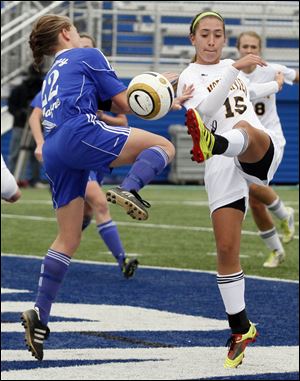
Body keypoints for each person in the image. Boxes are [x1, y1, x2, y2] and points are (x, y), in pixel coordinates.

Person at [21, 14, 192, 361]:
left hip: (54, 150)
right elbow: (128, 103)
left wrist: (161, 96)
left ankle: (39, 313)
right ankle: (130, 188)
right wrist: (163, 88)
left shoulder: (53, 71)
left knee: (67, 238)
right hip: (77, 133)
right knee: (163, 146)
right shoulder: (89, 53)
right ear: (67, 33)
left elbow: (115, 103)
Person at [177, 11, 285, 368]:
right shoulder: (189, 76)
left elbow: (250, 93)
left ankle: (219, 143)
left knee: (243, 124)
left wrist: (274, 83)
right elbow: (204, 110)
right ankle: (241, 328)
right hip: (219, 160)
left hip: (255, 145)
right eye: (204, 34)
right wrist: (234, 70)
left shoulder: (230, 66)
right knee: (225, 249)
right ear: (192, 39)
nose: (211, 40)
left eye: (217, 34)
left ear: (224, 38)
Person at [29, 33, 138, 279]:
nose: (83, 48)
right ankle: (121, 259)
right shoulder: (59, 77)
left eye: (89, 45)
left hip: (91, 140)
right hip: (77, 143)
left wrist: (102, 117)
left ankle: (63, 250)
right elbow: (36, 114)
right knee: (100, 203)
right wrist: (39, 142)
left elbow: (122, 118)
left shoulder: (92, 74)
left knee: (86, 213)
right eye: (82, 43)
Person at [236, 31, 298, 268]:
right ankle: (276, 250)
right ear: (238, 48)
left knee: (253, 186)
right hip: (245, 140)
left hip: (271, 138)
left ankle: (284, 213)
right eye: (245, 46)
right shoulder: (232, 73)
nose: (249, 50)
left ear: (260, 49)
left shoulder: (272, 70)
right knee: (254, 201)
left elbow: (297, 76)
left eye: (253, 46)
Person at [7, 64, 44, 187]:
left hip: (38, 126)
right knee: (15, 153)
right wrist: (20, 113)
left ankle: (35, 179)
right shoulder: (18, 89)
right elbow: (11, 107)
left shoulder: (43, 89)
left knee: (37, 154)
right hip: (20, 125)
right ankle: (12, 179)